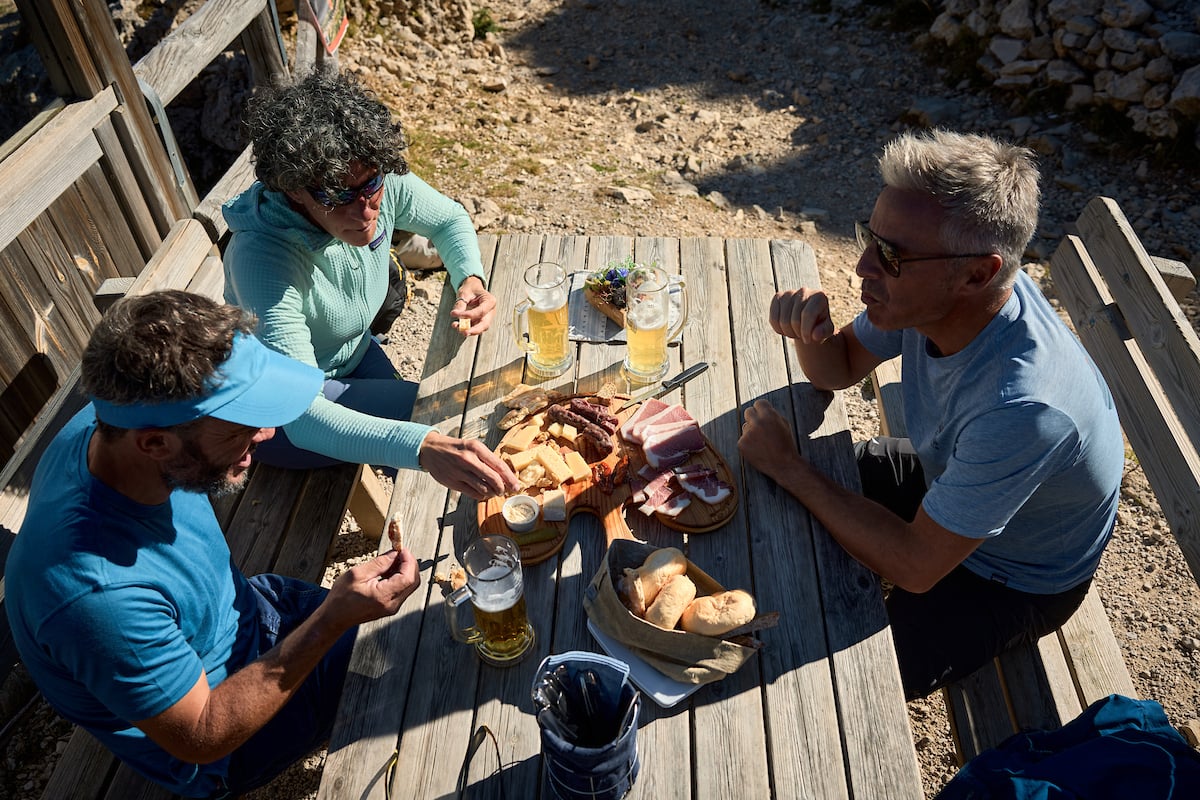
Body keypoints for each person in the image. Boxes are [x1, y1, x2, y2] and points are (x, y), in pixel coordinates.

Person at [738, 130, 1124, 700]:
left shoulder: (1024, 408)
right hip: (949, 476)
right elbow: (838, 368)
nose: (862, 266)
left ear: (978, 274)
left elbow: (916, 564)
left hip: (1011, 576)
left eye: (890, 255)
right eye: (869, 236)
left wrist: (791, 467)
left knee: (841, 688)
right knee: (751, 495)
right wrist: (811, 334)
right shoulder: (940, 302)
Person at [4, 291, 420, 798]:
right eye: (242, 424)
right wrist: (332, 618)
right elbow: (202, 736)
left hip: (246, 608)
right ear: (156, 444)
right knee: (422, 665)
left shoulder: (112, 427)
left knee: (423, 624)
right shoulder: (95, 594)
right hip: (223, 732)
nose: (268, 432)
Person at [222, 66, 517, 501]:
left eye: (370, 186)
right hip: (278, 418)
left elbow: (449, 219)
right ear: (293, 191)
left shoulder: (370, 175)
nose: (363, 211)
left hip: (354, 357)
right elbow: (302, 415)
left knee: (442, 425)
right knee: (443, 424)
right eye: (336, 195)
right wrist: (422, 445)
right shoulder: (262, 261)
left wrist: (470, 277)